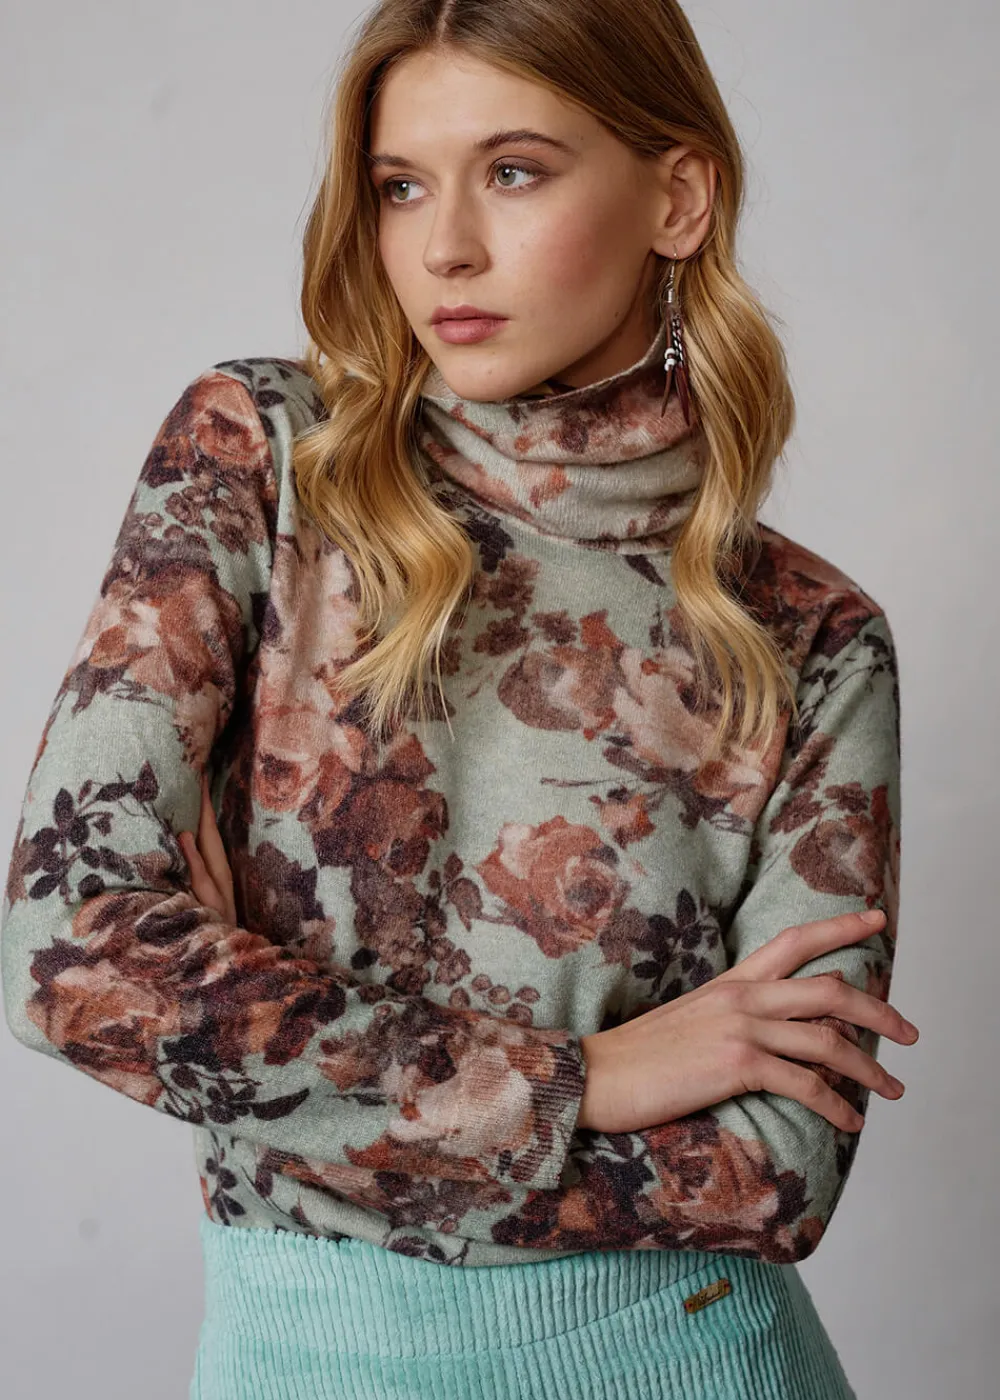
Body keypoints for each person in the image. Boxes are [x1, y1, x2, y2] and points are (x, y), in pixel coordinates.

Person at [0, 1, 919, 1397]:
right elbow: (68, 956)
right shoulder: (266, 462)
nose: (445, 249)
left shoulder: (813, 636)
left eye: (515, 171)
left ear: (677, 198)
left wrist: (271, 1056)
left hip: (692, 1360)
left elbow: (769, 1181)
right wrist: (588, 1081)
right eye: (401, 186)